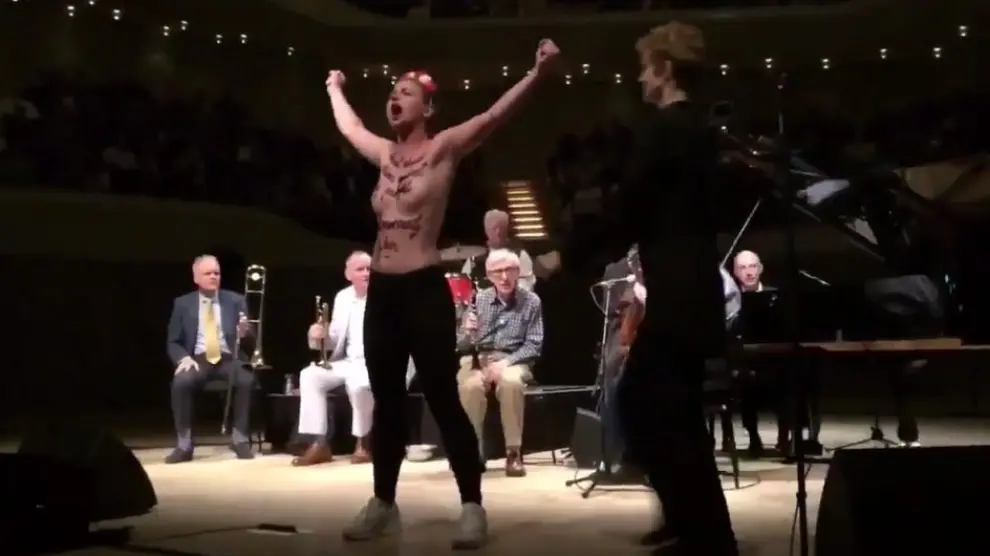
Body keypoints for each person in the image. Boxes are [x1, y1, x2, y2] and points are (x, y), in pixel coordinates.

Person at [324, 39, 561, 549]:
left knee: (443, 397)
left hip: (423, 288)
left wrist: (537, 75)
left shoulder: (444, 148)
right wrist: (334, 87)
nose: (394, 98)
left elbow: (495, 116)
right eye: (392, 92)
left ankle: (472, 506)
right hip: (383, 292)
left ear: (427, 108)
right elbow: (350, 128)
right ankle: (383, 502)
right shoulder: (384, 154)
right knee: (387, 402)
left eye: (405, 93)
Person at [551, 22, 737, 556]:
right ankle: (694, 527)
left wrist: (567, 255)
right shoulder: (701, 130)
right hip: (693, 288)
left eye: (643, 68)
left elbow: (627, 209)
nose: (639, 78)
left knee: (644, 404)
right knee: (671, 413)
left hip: (677, 292)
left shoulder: (663, 131)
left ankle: (704, 536)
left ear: (664, 69)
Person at [457, 249, 544, 477]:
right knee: (470, 386)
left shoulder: (531, 301)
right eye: (498, 272)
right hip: (479, 358)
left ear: (518, 272)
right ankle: (472, 453)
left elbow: (534, 345)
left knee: (511, 382)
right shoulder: (479, 299)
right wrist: (467, 331)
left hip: (514, 359)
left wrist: (505, 363)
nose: (504, 277)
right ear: (489, 275)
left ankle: (513, 453)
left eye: (509, 270)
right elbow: (461, 345)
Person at [165, 255, 256, 464]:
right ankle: (184, 445)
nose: (213, 277)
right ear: (196, 277)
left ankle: (240, 439)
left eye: (217, 273)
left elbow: (251, 341)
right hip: (197, 359)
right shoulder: (182, 303)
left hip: (228, 358)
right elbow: (173, 341)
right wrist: (183, 358)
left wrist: (246, 333)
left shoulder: (236, 300)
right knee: (180, 383)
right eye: (208, 273)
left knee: (247, 380)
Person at [292, 251, 374, 466]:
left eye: (369, 269)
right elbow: (334, 339)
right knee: (309, 376)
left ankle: (363, 443)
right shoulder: (343, 297)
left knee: (359, 384)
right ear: (348, 275)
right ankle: (319, 444)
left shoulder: (386, 296)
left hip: (376, 362)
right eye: (360, 269)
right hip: (348, 361)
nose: (366, 273)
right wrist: (319, 335)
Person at [461, 209, 536, 290]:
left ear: (507, 229)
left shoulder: (520, 254)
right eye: (493, 229)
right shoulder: (476, 255)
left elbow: (527, 284)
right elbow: (463, 281)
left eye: (501, 228)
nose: (498, 232)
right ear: (486, 230)